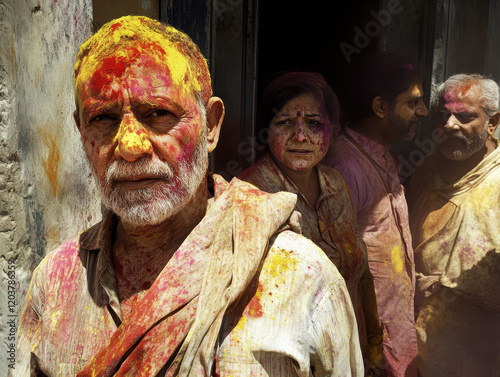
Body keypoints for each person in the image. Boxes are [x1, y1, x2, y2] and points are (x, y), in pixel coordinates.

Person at [13, 16, 364, 376]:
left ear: (210, 125)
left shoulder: (299, 277)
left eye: (160, 113)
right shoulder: (54, 282)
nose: (130, 147)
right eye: (103, 118)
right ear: (82, 131)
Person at [237, 71, 383, 374]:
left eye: (314, 124)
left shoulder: (336, 183)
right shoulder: (247, 194)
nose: (300, 136)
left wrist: (374, 346)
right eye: (285, 122)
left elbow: (362, 274)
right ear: (266, 131)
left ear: (334, 130)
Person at [322, 51, 428, 377]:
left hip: (394, 338)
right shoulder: (345, 165)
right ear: (380, 107)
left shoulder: (383, 156)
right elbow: (333, 268)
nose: (423, 112)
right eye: (413, 103)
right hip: (370, 348)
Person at [407, 73, 500, 377]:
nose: (449, 125)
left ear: (493, 122)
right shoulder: (423, 170)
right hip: (419, 351)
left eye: (464, 116)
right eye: (444, 115)